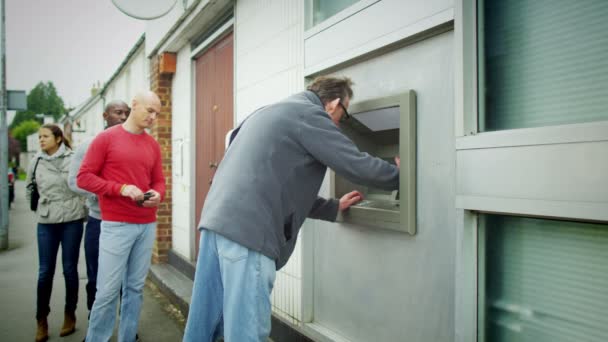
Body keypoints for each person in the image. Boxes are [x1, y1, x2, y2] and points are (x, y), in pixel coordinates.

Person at [183, 76, 400, 342]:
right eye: (344, 115)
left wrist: (333, 207)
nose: (340, 123)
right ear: (333, 104)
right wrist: (401, 174)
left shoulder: (268, 112)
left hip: (216, 226)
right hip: (249, 236)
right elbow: (354, 163)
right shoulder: (310, 115)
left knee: (205, 325)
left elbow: (278, 185)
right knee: (245, 331)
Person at [77, 91, 165, 342]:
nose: (153, 117)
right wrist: (122, 188)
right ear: (134, 105)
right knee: (106, 292)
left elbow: (159, 180)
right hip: (116, 225)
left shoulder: (152, 145)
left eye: (157, 114)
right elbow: (84, 177)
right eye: (149, 111)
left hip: (146, 225)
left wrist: (158, 194)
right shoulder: (106, 139)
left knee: (135, 290)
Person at [67, 100, 130, 317]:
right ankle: (95, 329)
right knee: (95, 277)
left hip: (126, 222)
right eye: (118, 112)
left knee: (124, 278)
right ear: (105, 116)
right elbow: (74, 181)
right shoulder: (89, 145)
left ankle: (126, 328)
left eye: (126, 113)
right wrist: (104, 192)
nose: (123, 117)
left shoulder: (133, 145)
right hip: (98, 221)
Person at [26, 124, 86, 342]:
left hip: (72, 219)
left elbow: (83, 183)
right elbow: (30, 188)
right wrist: (41, 207)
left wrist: (80, 204)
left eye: (45, 136)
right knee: (44, 272)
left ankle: (69, 315)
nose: (41, 140)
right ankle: (41, 320)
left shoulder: (73, 158)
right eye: (39, 136)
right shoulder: (36, 161)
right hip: (46, 220)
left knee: (70, 269)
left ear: (58, 138)